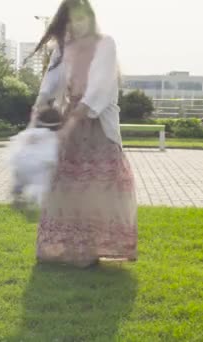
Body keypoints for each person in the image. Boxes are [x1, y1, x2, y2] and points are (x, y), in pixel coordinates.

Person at [27, 0, 138, 268]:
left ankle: (90, 251)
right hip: (69, 124)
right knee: (65, 186)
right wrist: (38, 109)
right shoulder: (62, 48)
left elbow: (99, 89)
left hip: (96, 125)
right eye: (71, 21)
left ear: (90, 18)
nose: (76, 26)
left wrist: (71, 124)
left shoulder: (105, 44)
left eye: (81, 19)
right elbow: (50, 84)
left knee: (97, 186)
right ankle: (64, 248)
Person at [8, 107, 61, 210]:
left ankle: (18, 188)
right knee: (42, 181)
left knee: (20, 175)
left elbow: (23, 142)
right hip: (39, 164)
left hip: (23, 161)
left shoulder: (33, 132)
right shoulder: (52, 136)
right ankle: (35, 199)